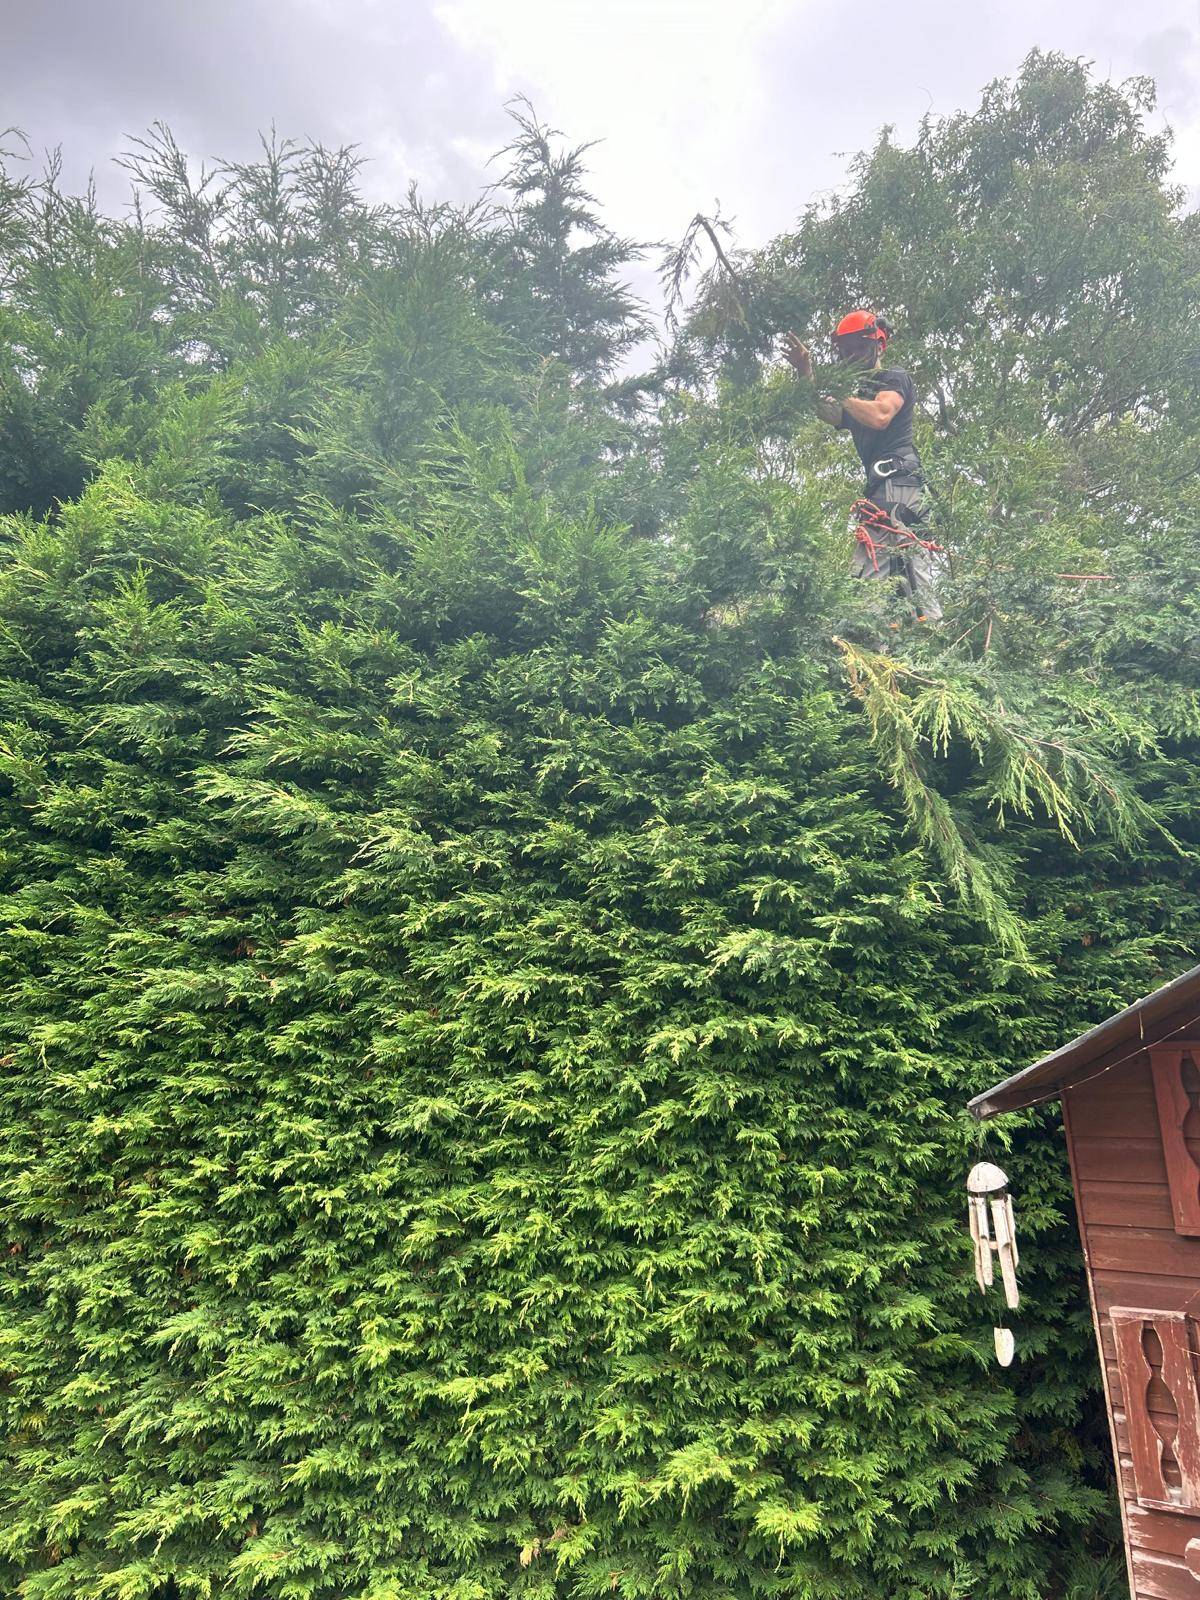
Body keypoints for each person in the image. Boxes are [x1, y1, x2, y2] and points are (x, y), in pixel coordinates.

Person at [784, 310, 942, 623]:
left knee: (902, 571)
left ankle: (926, 636)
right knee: (878, 579)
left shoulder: (893, 378)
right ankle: (881, 639)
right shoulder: (857, 399)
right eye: (846, 350)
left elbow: (881, 415)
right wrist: (806, 373)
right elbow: (826, 412)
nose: (852, 355)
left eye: (858, 347)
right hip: (880, 491)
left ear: (878, 345)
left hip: (900, 486)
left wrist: (841, 393)